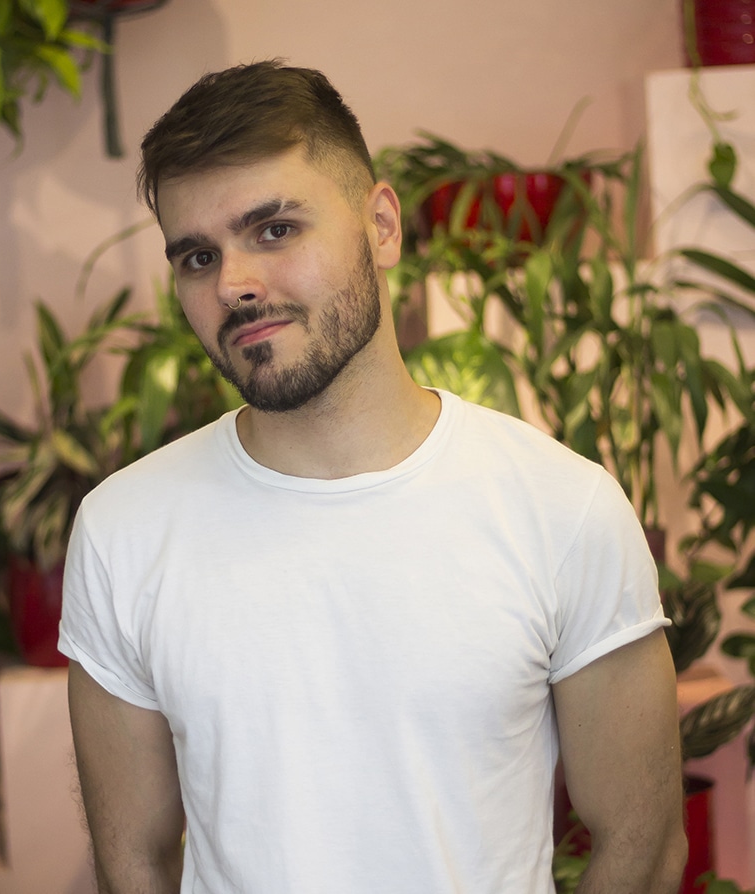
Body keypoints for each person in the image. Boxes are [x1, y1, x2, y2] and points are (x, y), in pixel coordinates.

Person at [59, 60, 687, 894]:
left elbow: (643, 847)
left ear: (382, 226)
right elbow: (130, 861)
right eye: (198, 256)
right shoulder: (123, 531)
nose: (234, 285)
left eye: (274, 230)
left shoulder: (562, 508)